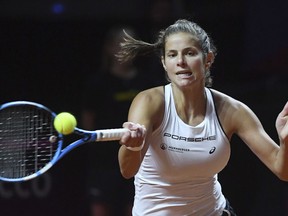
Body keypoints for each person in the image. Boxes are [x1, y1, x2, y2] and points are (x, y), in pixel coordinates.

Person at [115, 19, 288, 215]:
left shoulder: (232, 111)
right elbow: (127, 170)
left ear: (208, 59)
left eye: (189, 53)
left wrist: (285, 140)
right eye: (172, 55)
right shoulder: (149, 102)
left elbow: (282, 170)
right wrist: (133, 145)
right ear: (164, 63)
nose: (180, 61)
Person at [80, 26, 157, 216]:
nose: (126, 49)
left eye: (131, 44)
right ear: (109, 48)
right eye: (121, 44)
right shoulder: (97, 83)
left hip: (139, 161)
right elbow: (88, 123)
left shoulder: (147, 83)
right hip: (103, 163)